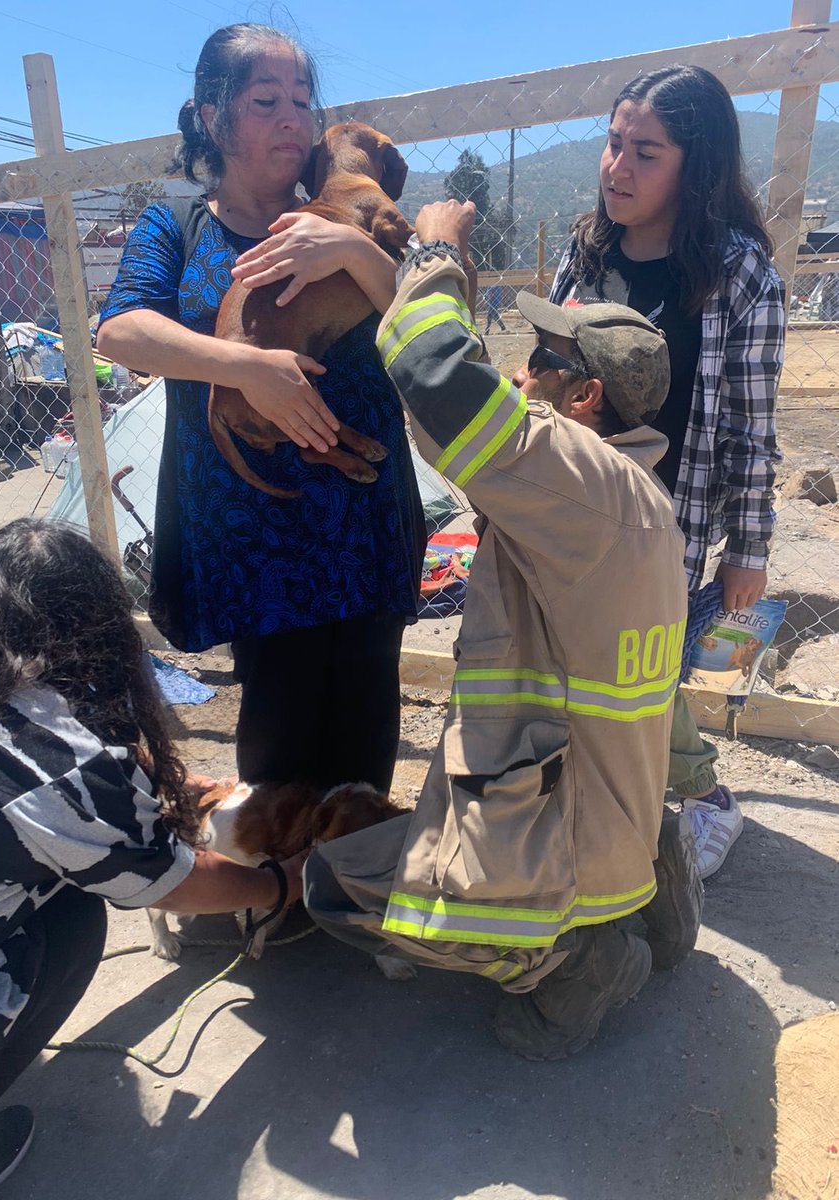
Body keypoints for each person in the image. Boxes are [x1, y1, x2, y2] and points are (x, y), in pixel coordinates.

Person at [304, 200, 702, 1061]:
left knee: (331, 887)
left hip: (556, 832)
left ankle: (574, 962)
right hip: (607, 809)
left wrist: (436, 252)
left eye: (541, 361)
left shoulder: (577, 478)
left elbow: (436, 375)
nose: (521, 373)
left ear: (586, 396)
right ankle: (646, 885)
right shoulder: (641, 501)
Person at [96, 23, 425, 795]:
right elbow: (121, 331)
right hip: (253, 530)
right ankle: (278, 869)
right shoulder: (179, 225)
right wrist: (246, 367)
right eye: (266, 101)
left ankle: (353, 863)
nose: (291, 120)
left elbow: (431, 317)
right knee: (279, 733)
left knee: (368, 725)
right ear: (214, 117)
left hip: (363, 515)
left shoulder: (343, 218)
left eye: (302, 102)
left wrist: (351, 252)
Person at [0, 519, 306, 1200]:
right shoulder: (47, 754)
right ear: (96, 635)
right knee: (74, 918)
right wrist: (281, 882)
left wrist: (155, 787)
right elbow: (166, 880)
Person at [550, 65, 785, 878]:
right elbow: (550, 367)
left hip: (664, 522)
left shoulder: (738, 273)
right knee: (569, 663)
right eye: (614, 143)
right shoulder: (587, 250)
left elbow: (751, 427)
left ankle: (707, 799)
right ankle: (593, 801)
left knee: (639, 676)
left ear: (697, 165)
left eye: (645, 152)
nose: (618, 167)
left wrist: (748, 548)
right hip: (571, 508)